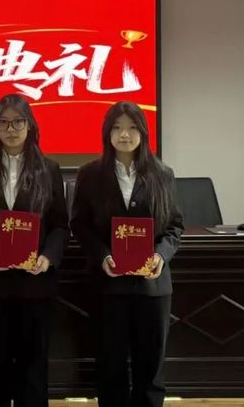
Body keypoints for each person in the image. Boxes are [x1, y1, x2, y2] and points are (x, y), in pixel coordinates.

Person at [0, 93, 68, 407]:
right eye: (3, 123)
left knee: (33, 371)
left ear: (30, 126)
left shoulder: (49, 169)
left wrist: (48, 257)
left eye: (18, 122)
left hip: (35, 285)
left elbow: (60, 224)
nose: (11, 129)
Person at [70, 101, 183, 407]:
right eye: (117, 127)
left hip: (152, 286)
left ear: (143, 133)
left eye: (132, 127)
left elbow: (174, 226)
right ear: (107, 133)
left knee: (151, 366)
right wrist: (102, 255)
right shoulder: (90, 174)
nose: (124, 134)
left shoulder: (162, 174)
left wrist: (160, 255)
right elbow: (79, 224)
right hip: (108, 287)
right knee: (111, 365)